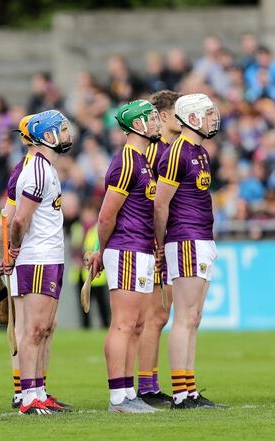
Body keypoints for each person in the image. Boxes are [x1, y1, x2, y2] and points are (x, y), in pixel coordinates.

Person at [89, 99, 161, 414]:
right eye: (152, 118)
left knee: (137, 323)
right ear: (137, 125)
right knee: (124, 323)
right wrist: (101, 250)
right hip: (127, 248)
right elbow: (106, 216)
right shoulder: (127, 161)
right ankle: (119, 397)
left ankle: (128, 393)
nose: (158, 122)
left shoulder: (143, 160)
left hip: (140, 247)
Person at [154, 93, 222, 409]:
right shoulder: (177, 152)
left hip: (200, 239)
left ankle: (190, 388)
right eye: (207, 114)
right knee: (183, 316)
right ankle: (181, 393)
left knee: (194, 317)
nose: (213, 118)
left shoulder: (199, 151)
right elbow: (161, 204)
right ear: (191, 118)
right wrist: (159, 242)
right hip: (185, 240)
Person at [5, 110, 73, 415]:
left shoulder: (46, 167)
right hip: (37, 259)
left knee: (43, 327)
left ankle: (39, 392)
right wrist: (15, 247)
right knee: (34, 328)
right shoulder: (37, 170)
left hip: (49, 257)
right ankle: (29, 397)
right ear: (47, 136)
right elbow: (18, 219)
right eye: (61, 129)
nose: (67, 133)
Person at [136, 90, 181, 408]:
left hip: (158, 243)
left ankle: (147, 384)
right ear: (164, 116)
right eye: (180, 111)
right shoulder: (154, 152)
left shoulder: (168, 149)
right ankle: (146, 387)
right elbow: (150, 202)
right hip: (151, 244)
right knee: (153, 316)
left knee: (158, 316)